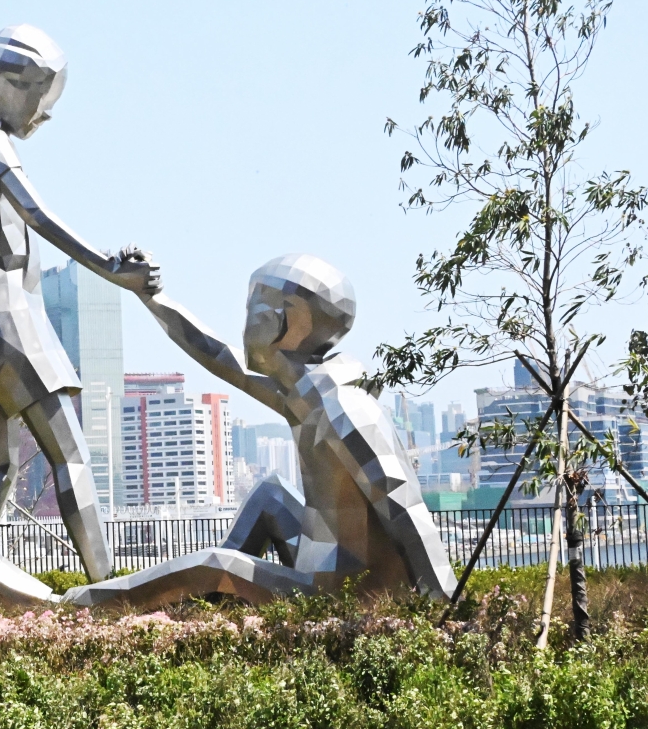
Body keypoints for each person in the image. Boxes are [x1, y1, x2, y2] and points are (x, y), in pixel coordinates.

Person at [64, 254, 458, 609]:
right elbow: (217, 356)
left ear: (281, 318)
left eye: (252, 304)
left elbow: (403, 504)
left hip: (344, 593)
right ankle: (216, 610)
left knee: (216, 564)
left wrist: (448, 609)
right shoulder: (304, 396)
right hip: (320, 565)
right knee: (271, 495)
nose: (245, 321)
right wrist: (151, 297)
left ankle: (76, 607)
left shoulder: (343, 406)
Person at [0, 24, 161, 593]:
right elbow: (39, 216)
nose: (44, 111)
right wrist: (112, 269)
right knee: (70, 453)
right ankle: (109, 592)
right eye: (37, 92)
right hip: (2, 312)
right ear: (1, 85)